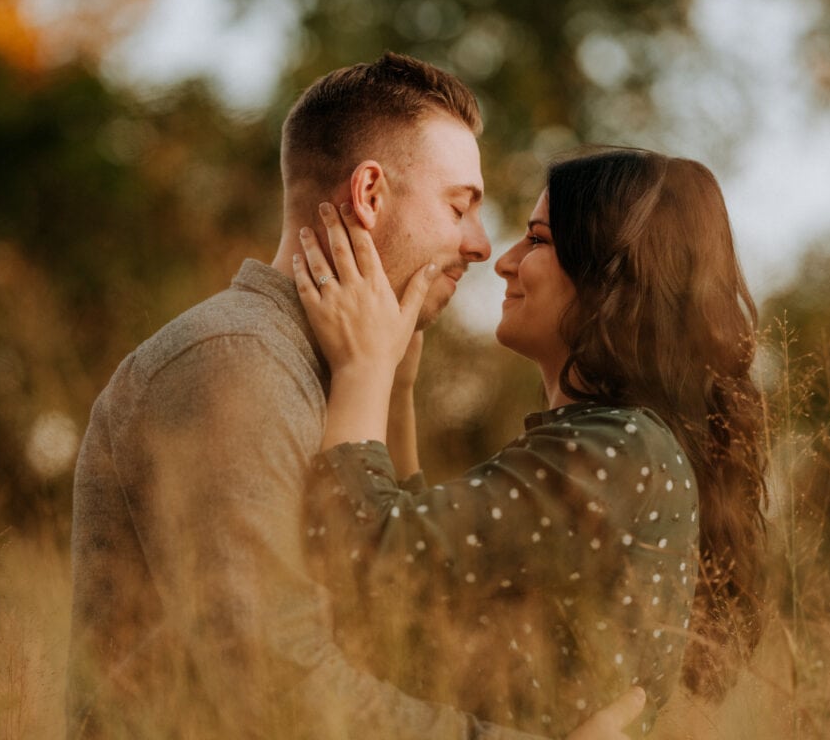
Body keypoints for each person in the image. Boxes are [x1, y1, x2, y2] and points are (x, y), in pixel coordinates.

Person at [67, 54, 644, 739]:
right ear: (369, 194)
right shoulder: (234, 363)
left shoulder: (324, 376)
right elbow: (269, 681)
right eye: (459, 206)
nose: (482, 246)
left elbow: (391, 626)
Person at [295, 148, 768, 738]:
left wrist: (362, 370)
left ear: (611, 275)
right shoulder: (614, 446)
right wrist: (395, 385)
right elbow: (420, 594)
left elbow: (358, 552)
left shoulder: (620, 451)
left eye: (538, 241)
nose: (505, 261)